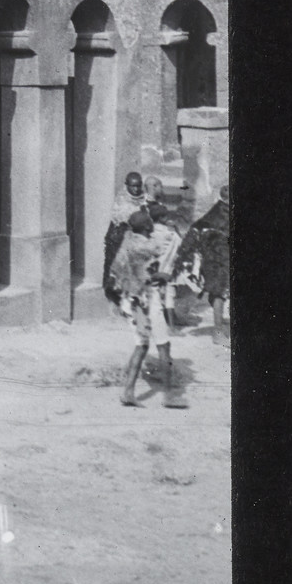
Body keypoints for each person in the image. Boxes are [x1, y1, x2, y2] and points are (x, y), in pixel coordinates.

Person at [113, 207, 189, 409]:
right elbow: (154, 271)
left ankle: (128, 392)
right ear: (147, 226)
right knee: (163, 346)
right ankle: (169, 395)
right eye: (151, 223)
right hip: (147, 302)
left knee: (142, 345)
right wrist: (163, 276)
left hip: (130, 301)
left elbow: (117, 270)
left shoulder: (128, 241)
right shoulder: (147, 247)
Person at [178, 184, 231, 330]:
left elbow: (197, 227)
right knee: (218, 293)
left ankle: (218, 322)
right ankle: (218, 331)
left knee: (217, 292)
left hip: (216, 257)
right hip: (218, 258)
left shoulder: (216, 210)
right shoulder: (224, 212)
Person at [101, 171, 149, 307]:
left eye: (138, 186)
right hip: (118, 237)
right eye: (132, 186)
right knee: (115, 268)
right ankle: (114, 296)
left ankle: (132, 297)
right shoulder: (121, 199)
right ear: (126, 185)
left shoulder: (144, 198)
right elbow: (122, 217)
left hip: (136, 238)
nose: (135, 189)